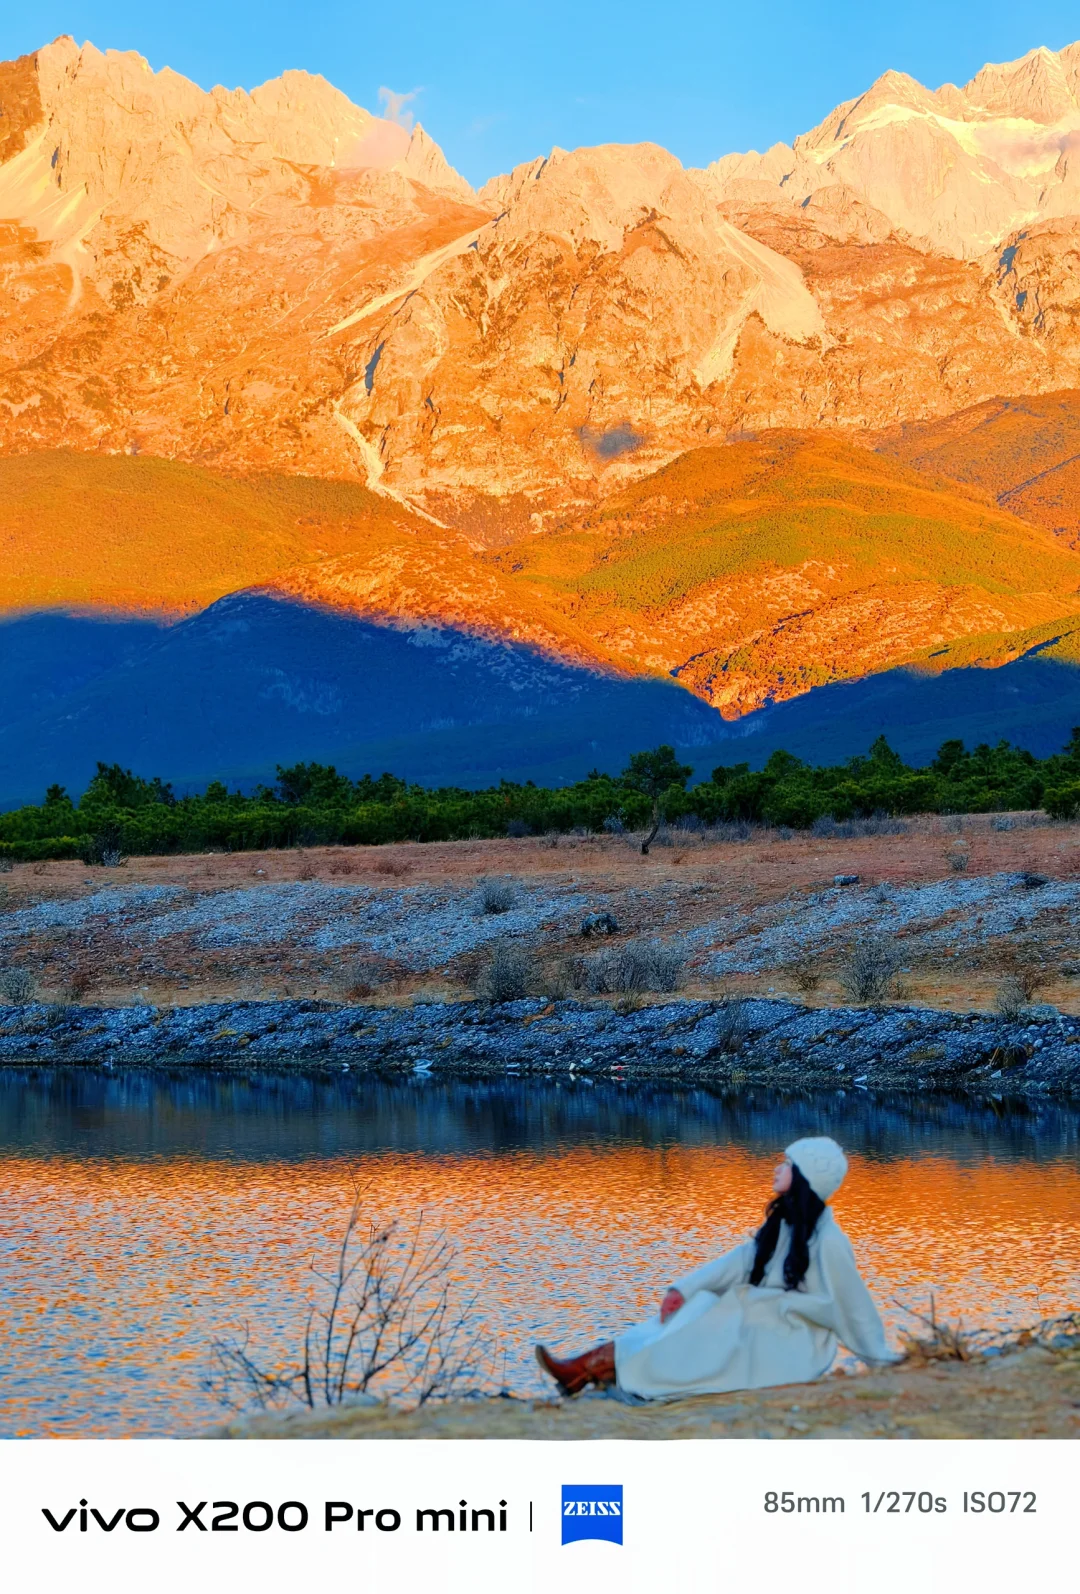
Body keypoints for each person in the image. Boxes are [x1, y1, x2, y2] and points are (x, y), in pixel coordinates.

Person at [535, 1136, 897, 1399]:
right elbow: (738, 1263)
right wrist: (683, 1289)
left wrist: (880, 1357)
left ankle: (591, 1371)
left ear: (805, 1176)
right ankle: (585, 1370)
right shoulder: (783, 1225)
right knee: (700, 1305)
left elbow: (853, 1306)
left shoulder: (829, 1240)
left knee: (712, 1317)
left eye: (786, 1164)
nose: (776, 1168)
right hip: (761, 1323)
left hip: (791, 1343)